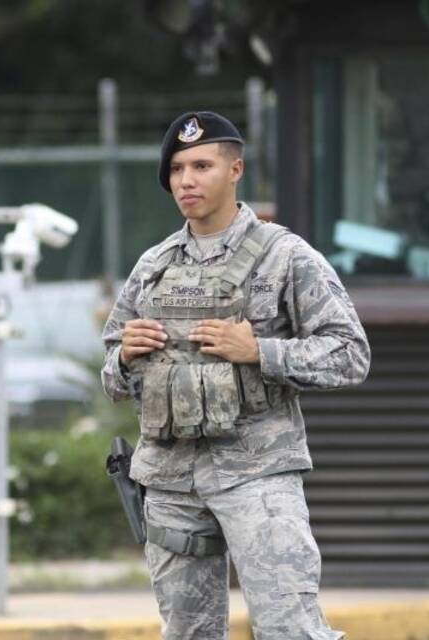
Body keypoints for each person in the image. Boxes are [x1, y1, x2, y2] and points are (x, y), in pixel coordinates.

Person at [100, 111, 370, 640]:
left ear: (235, 169)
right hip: (170, 480)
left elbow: (349, 354)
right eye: (177, 169)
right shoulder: (153, 266)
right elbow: (112, 375)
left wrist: (260, 351)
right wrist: (125, 359)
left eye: (202, 165)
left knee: (291, 630)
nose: (187, 180)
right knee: (186, 634)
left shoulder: (285, 257)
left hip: (258, 474)